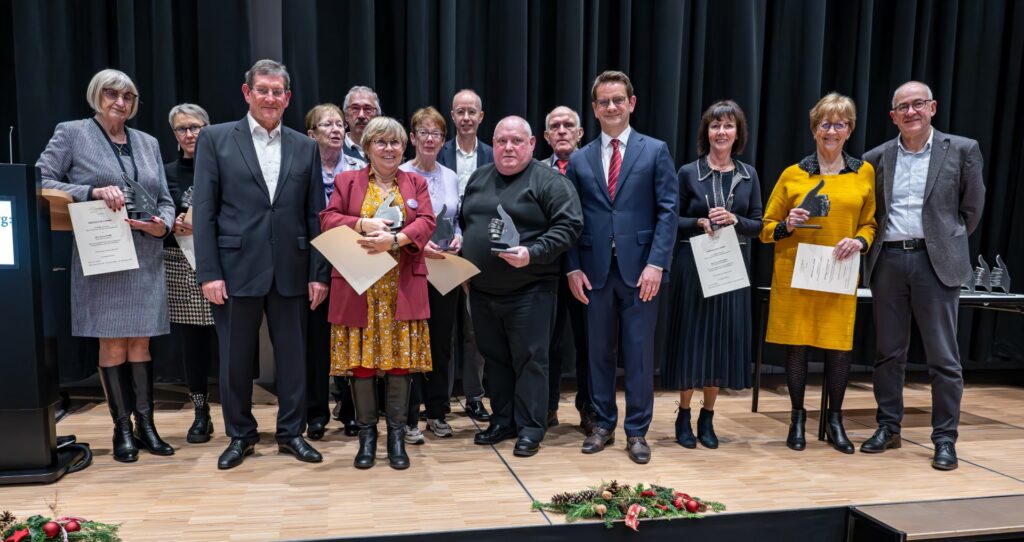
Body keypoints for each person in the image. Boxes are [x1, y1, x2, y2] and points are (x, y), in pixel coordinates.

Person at [193, 59, 329, 470]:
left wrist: (318, 272)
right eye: (263, 90)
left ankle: (292, 432)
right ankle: (240, 434)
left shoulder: (305, 146)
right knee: (235, 359)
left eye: (278, 92)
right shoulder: (215, 139)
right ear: (247, 92)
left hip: (292, 267)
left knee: (294, 359)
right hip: (235, 269)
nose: (270, 97)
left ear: (288, 99)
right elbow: (204, 211)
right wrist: (209, 272)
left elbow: (314, 214)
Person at [36, 68, 176, 462]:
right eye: (112, 94)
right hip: (103, 253)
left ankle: (146, 426)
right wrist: (89, 191)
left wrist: (162, 223)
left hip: (145, 253)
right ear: (96, 95)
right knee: (112, 341)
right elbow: (41, 178)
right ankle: (122, 430)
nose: (120, 102)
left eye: (128, 97)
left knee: (141, 341)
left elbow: (164, 197)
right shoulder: (73, 132)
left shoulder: (147, 142)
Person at [861, 81, 985, 470]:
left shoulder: (962, 149)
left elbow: (971, 209)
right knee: (888, 354)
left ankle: (945, 438)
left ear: (932, 107)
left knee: (944, 359)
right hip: (890, 262)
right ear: (892, 116)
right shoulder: (876, 157)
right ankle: (888, 427)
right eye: (903, 107)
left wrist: (944, 242)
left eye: (918, 104)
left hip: (937, 263)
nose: (911, 112)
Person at [566, 71, 678, 464]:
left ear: (632, 103)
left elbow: (668, 211)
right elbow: (571, 220)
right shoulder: (578, 159)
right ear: (594, 109)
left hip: (641, 272)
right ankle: (602, 425)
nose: (611, 107)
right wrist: (572, 268)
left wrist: (656, 265)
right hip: (594, 270)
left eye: (618, 100)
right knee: (597, 352)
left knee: (638, 353)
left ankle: (637, 431)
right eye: (603, 102)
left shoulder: (655, 150)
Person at [759, 92, 877, 454]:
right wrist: (788, 224)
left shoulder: (863, 172)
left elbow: (871, 224)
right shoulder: (793, 174)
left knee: (838, 349)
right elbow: (766, 228)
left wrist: (859, 241)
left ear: (850, 129)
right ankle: (797, 417)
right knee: (798, 348)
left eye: (839, 124)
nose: (831, 130)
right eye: (824, 123)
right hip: (798, 271)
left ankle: (835, 420)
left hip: (839, 273)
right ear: (814, 129)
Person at [460, 116, 583, 457]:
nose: (508, 147)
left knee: (531, 361)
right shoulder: (479, 177)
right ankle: (503, 420)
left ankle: (531, 427)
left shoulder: (550, 182)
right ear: (493, 144)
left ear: (531, 144)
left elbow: (570, 225)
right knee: (495, 359)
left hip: (531, 290)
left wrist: (533, 253)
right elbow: (465, 221)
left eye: (516, 141)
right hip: (483, 291)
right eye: (501, 141)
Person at [320, 116, 436, 470]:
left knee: (401, 365)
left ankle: (397, 437)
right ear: (368, 146)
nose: (389, 149)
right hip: (360, 288)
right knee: (362, 365)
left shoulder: (415, 182)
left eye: (396, 143)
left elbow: (427, 222)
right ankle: (367, 436)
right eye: (381, 142)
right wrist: (360, 223)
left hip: (401, 287)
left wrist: (396, 239)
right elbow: (327, 219)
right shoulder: (347, 180)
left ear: (405, 147)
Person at [662, 100, 763, 450]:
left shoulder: (749, 174)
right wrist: (700, 221)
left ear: (738, 133)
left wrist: (736, 220)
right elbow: (671, 221)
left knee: (720, 343)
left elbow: (759, 224)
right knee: (693, 341)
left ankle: (708, 416)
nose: (721, 132)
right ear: (707, 132)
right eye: (715, 126)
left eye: (728, 126)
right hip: (694, 266)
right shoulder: (688, 172)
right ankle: (683, 413)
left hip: (731, 268)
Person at [302, 103, 367, 441]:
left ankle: (351, 411)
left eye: (339, 124)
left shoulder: (360, 168)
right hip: (312, 267)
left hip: (352, 265)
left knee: (353, 339)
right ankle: (316, 412)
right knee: (315, 344)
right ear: (311, 134)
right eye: (326, 124)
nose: (336, 129)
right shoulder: (299, 168)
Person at [399, 107, 463, 443]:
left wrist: (459, 239)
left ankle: (437, 413)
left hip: (445, 269)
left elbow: (459, 218)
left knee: (441, 343)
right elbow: (395, 223)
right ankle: (409, 418)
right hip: (411, 268)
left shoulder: (451, 176)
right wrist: (418, 246)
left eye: (435, 133)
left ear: (443, 139)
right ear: (411, 138)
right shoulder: (400, 173)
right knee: (412, 343)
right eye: (422, 132)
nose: (429, 138)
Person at [438, 88, 495, 423]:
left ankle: (475, 396)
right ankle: (441, 401)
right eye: (460, 111)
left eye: (472, 111)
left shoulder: (493, 154)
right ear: (452, 115)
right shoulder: (438, 152)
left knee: (475, 330)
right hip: (443, 254)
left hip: (479, 255)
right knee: (444, 330)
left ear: (481, 117)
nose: (466, 117)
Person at [163, 103, 218, 444]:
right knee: (192, 343)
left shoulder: (222, 166)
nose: (190, 134)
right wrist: (172, 223)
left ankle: (239, 411)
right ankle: (200, 410)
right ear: (174, 135)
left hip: (220, 260)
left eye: (196, 127)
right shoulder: (166, 171)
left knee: (229, 339)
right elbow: (157, 209)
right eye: (182, 129)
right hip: (179, 261)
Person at [541, 105, 596, 434]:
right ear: (546, 136)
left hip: (587, 269)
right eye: (555, 126)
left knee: (588, 343)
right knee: (548, 343)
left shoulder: (593, 167)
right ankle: (547, 406)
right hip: (545, 269)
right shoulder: (534, 170)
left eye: (568, 125)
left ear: (580, 133)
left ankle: (588, 408)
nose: (562, 130)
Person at [341, 86, 381, 162]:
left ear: (377, 115)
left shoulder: (387, 149)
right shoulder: (336, 150)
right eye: (355, 108)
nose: (361, 115)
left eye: (367, 109)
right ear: (346, 115)